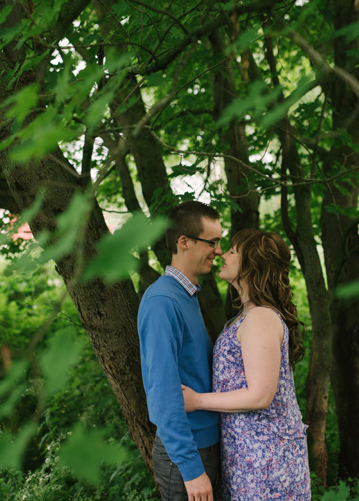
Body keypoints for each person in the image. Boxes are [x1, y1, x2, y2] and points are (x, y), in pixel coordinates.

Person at [182, 229, 311, 500]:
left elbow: (261, 395)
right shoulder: (249, 315)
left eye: (232, 251)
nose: (222, 254)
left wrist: (197, 401)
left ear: (251, 264)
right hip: (250, 455)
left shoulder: (260, 317)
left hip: (266, 460)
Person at [138, 201, 224, 501]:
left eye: (220, 242)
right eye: (211, 242)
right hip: (187, 454)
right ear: (183, 242)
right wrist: (191, 468)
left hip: (205, 444)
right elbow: (162, 392)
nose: (219, 251)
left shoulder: (186, 295)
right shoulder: (162, 301)